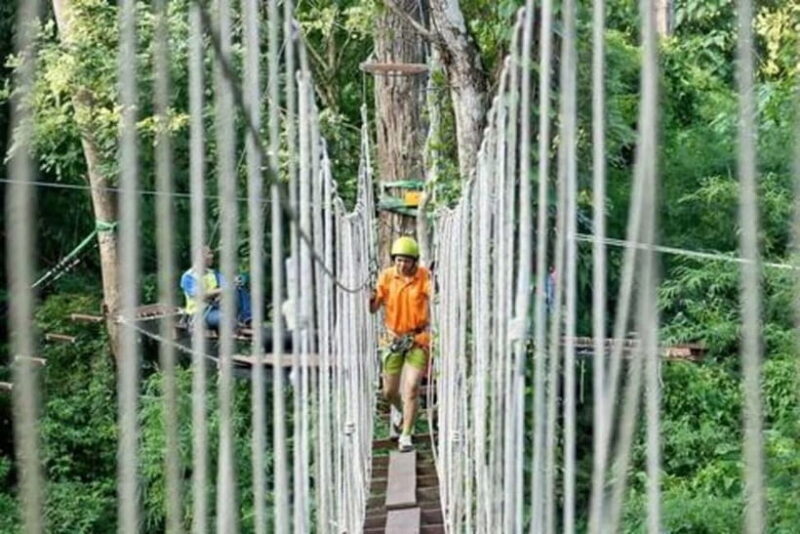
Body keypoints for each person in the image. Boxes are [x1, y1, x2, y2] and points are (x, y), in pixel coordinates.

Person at [369, 236, 432, 452]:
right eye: (398, 260)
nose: (402, 265)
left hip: (417, 338)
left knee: (412, 387)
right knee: (389, 391)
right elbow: (374, 307)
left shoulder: (424, 276)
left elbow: (435, 295)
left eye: (406, 261)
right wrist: (370, 297)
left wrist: (440, 288)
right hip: (392, 338)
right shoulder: (386, 277)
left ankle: (406, 435)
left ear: (415, 261)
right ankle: (402, 410)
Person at [180, 245, 252, 330]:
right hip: (201, 314)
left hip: (218, 308)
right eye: (209, 253)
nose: (212, 256)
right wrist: (222, 290)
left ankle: (248, 319)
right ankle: (234, 322)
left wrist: (236, 281)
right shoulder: (189, 277)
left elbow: (227, 284)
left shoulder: (214, 273)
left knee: (238, 287)